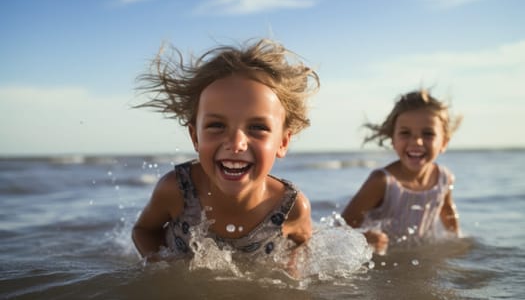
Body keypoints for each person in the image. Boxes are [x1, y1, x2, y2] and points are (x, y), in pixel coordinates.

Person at [132, 38, 320, 263]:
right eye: (217, 126)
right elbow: (143, 231)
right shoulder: (176, 191)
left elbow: (302, 243)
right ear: (195, 137)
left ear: (282, 142)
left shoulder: (291, 207)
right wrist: (158, 265)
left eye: (257, 127)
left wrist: (291, 274)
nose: (236, 143)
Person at [341, 89, 462, 254]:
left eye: (428, 134)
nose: (416, 141)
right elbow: (341, 227)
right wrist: (364, 237)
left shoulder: (444, 178)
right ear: (393, 139)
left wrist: (457, 242)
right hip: (381, 260)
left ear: (444, 142)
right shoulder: (382, 182)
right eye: (405, 133)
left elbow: (447, 211)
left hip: (418, 256)